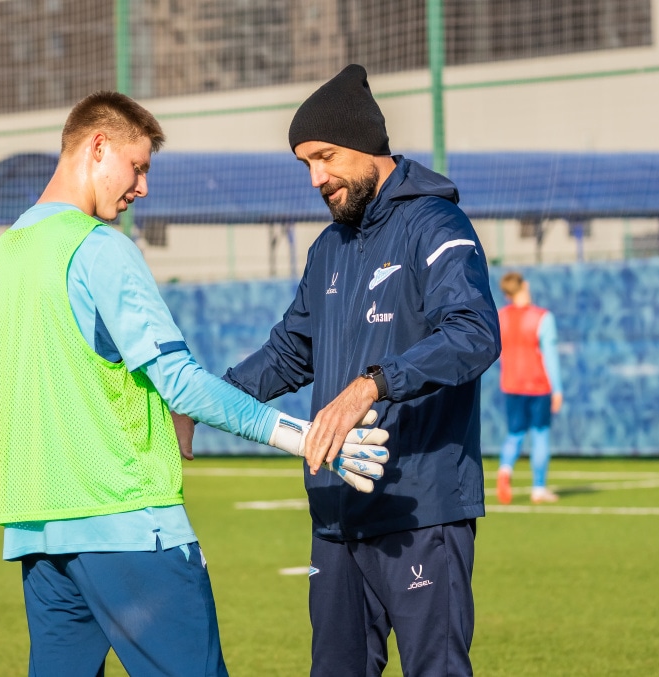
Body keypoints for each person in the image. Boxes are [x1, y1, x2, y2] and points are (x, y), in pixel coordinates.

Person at [0, 90, 388, 677]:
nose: (142, 187)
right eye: (138, 166)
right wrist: (310, 438)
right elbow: (182, 385)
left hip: (40, 531)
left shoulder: (8, 251)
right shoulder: (100, 249)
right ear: (97, 147)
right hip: (129, 526)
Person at [223, 65, 501, 677]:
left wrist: (372, 383)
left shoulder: (436, 224)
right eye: (306, 165)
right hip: (335, 512)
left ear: (367, 144)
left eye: (325, 157)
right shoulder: (330, 247)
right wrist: (206, 402)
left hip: (420, 509)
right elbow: (288, 353)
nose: (317, 177)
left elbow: (474, 334)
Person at [495, 271, 564, 505]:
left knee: (514, 434)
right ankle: (538, 488)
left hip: (511, 384)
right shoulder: (542, 318)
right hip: (538, 385)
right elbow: (550, 356)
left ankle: (505, 470)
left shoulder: (500, 318)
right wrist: (558, 389)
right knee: (540, 434)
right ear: (524, 285)